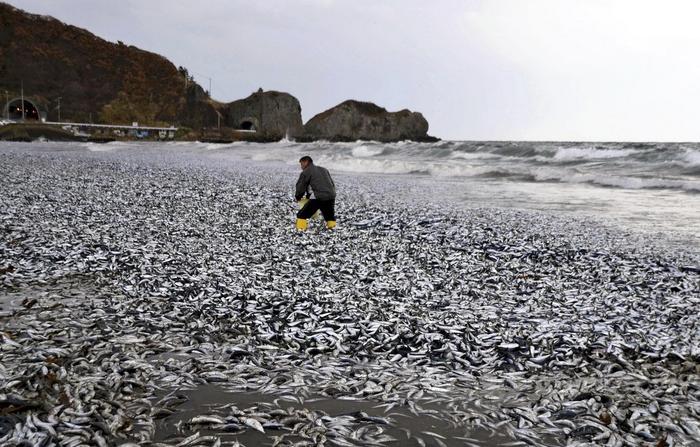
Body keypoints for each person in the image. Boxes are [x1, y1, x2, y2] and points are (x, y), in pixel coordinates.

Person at [295, 156, 336, 230]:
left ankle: (300, 230)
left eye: (301, 164)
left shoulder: (306, 172)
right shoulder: (324, 169)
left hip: (319, 197)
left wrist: (298, 196)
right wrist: (308, 196)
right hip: (331, 195)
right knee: (329, 215)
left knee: (301, 215)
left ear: (306, 162)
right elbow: (331, 183)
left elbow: (301, 186)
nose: (301, 167)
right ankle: (332, 227)